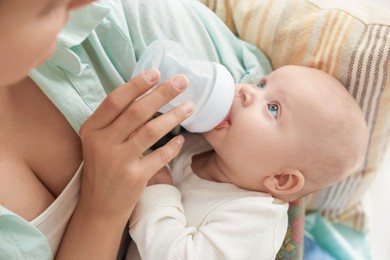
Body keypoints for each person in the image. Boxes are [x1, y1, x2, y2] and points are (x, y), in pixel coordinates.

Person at [0, 0, 273, 259]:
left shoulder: (109, 17)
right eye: (49, 6)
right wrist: (102, 212)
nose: (85, 2)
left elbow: (277, 88)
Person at [127, 65, 369, 260]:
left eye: (273, 108)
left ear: (281, 179)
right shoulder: (202, 146)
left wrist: (158, 189)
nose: (247, 91)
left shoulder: (254, 222)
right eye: (261, 84)